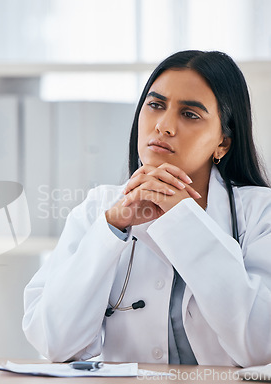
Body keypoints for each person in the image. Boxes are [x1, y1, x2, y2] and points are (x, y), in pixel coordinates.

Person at [23, 50, 271, 368]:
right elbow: (52, 342)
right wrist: (111, 229)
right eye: (155, 105)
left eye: (190, 114)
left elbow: (262, 347)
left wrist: (185, 219)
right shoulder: (99, 210)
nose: (164, 126)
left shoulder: (260, 213)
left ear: (222, 143)